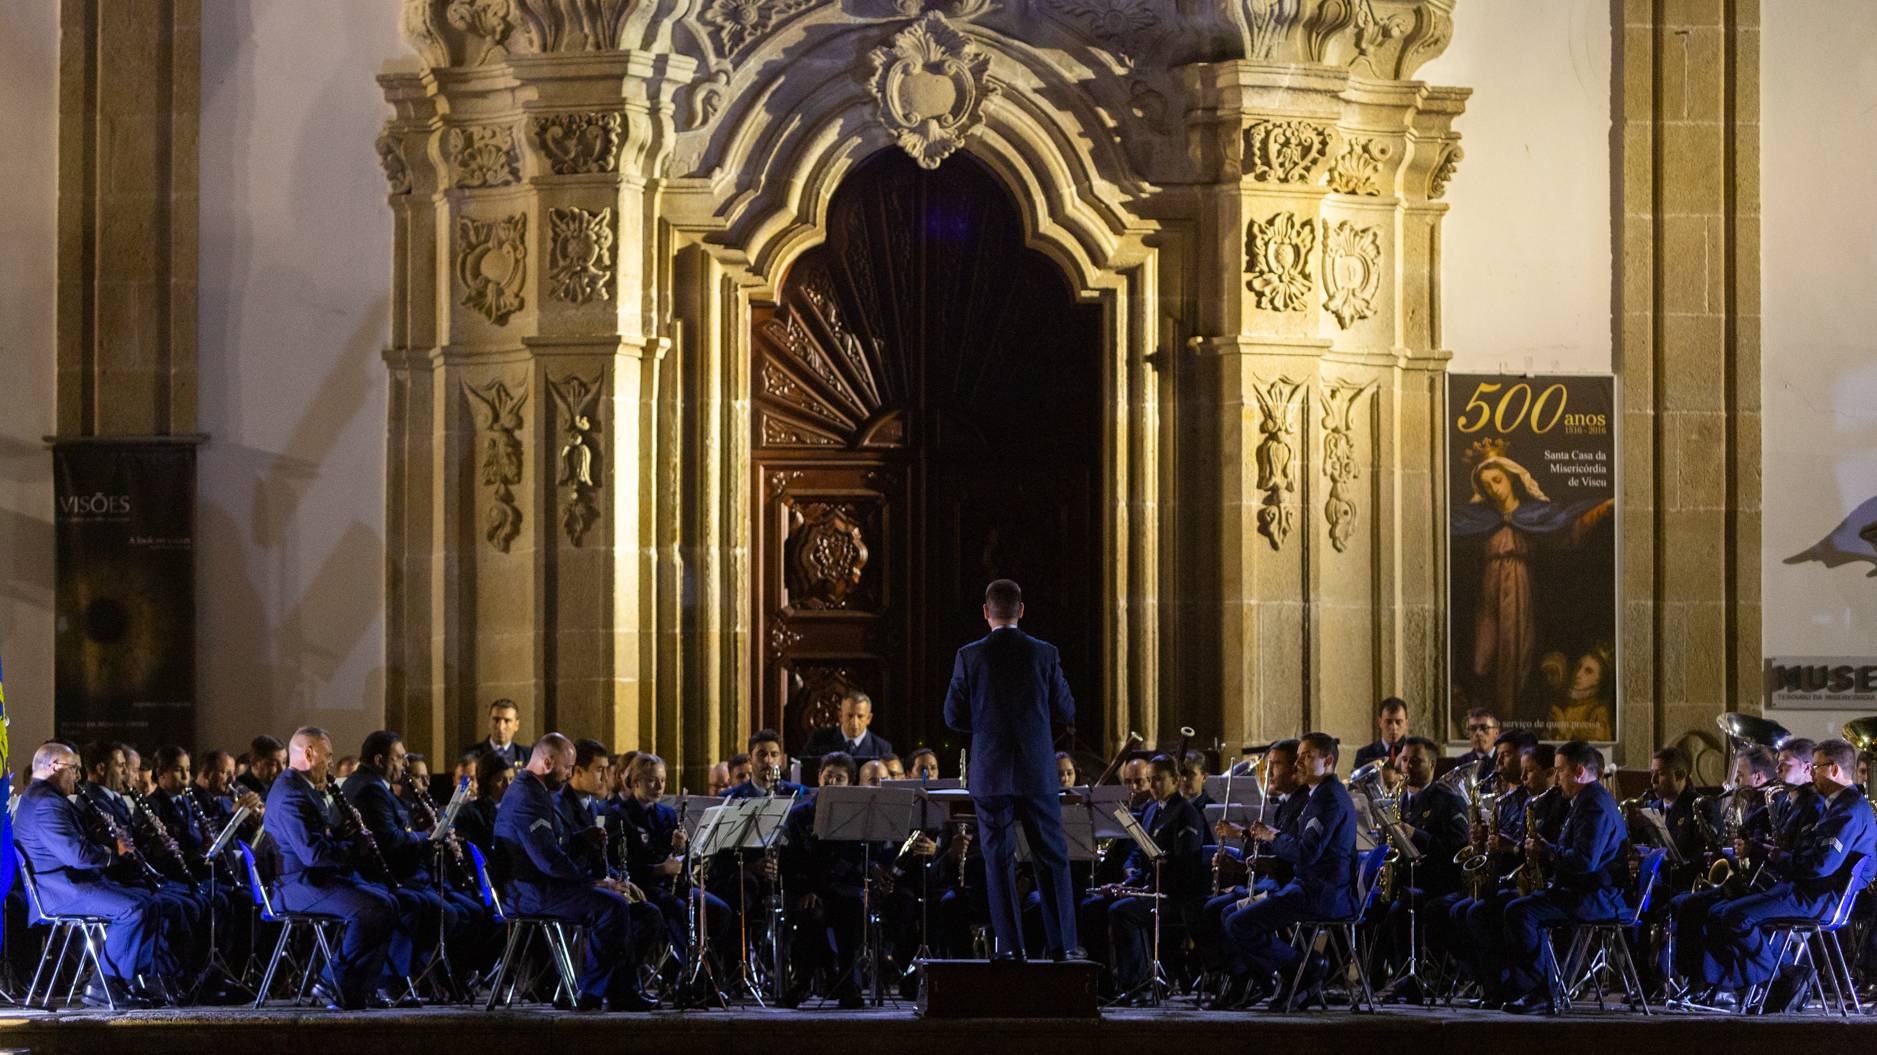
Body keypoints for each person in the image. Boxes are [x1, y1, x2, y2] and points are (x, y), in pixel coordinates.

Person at [942, 578, 1081, 962]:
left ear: (986, 612)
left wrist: (986, 727)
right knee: (1051, 856)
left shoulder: (969, 656)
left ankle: (1010, 947)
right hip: (1036, 771)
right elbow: (1065, 711)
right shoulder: (1045, 654)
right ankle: (1062, 946)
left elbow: (952, 716)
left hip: (990, 773)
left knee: (998, 860)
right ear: (1021, 610)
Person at [1692, 739, 1876, 1007]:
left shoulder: (1847, 810)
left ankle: (1784, 979)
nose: (1811, 773)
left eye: (1817, 767)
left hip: (1817, 899)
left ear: (1834, 769)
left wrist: (1781, 858)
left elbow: (1819, 866)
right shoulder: (1840, 806)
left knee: (1735, 916)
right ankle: (1778, 978)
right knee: (1720, 912)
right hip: (1808, 893)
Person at [14, 741, 188, 1007]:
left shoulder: (41, 798)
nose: (78, 776)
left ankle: (129, 980)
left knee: (151, 902)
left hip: (69, 884)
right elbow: (78, 856)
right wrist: (112, 851)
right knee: (134, 910)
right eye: (74, 769)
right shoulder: (47, 804)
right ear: (54, 767)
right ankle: (103, 983)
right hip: (62, 890)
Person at [494, 734, 657, 1011]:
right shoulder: (527, 797)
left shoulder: (535, 791)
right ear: (547, 762)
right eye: (567, 768)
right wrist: (594, 882)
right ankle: (591, 993)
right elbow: (548, 860)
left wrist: (582, 838)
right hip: (531, 891)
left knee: (644, 912)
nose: (569, 773)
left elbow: (552, 844)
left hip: (541, 885)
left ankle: (618, 988)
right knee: (612, 907)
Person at [263, 727, 413, 1010]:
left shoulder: (301, 788)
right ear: (309, 754)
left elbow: (317, 842)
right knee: (374, 909)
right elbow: (314, 855)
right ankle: (333, 981)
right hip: (298, 885)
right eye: (327, 757)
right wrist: (356, 848)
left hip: (312, 880)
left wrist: (342, 834)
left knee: (389, 902)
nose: (331, 765)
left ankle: (357, 989)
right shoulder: (292, 794)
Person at [340, 730, 491, 994]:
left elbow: (398, 833)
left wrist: (422, 831)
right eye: (398, 758)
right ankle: (401, 979)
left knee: (467, 910)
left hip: (397, 874)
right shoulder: (370, 789)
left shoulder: (372, 786)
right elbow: (390, 841)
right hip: (382, 878)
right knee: (442, 912)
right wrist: (431, 838)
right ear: (379, 760)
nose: (404, 764)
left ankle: (430, 977)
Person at [1216, 732, 1357, 1010]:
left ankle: (1304, 968)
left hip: (1320, 894)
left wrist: (1272, 838)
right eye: (1299, 756)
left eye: (1307, 756)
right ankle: (1293, 975)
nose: (1298, 764)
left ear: (1328, 761)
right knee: (1231, 914)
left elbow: (1306, 853)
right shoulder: (1320, 795)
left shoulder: (1328, 798)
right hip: (1308, 888)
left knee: (1238, 923)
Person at [1492, 740, 1629, 1014]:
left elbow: (1584, 862)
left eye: (1559, 771)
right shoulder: (1585, 800)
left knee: (1520, 913)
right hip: (1582, 892)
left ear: (1578, 771)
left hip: (1595, 897)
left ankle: (1539, 990)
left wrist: (1546, 851)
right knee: (1514, 907)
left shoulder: (1593, 804)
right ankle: (1535, 987)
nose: (1556, 779)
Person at [1082, 754, 1205, 1000]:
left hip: (1175, 894)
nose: (1152, 786)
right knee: (1091, 907)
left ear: (1176, 779)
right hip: (1151, 887)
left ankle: (1136, 984)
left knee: (1122, 912)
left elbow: (1183, 865)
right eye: (1150, 780)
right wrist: (1126, 884)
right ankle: (1104, 984)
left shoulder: (1186, 813)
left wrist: (1140, 887)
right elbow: (1143, 856)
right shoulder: (1150, 810)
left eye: (1158, 779)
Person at [801, 690, 895, 761]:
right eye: (850, 716)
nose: (854, 722)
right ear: (840, 716)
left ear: (869, 718)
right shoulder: (819, 740)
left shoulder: (882, 748)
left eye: (860, 716)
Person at [457, 749, 514, 856]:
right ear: (487, 781)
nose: (508, 786)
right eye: (501, 780)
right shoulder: (470, 813)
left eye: (511, 779)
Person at [464, 698, 530, 768]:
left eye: (507, 721)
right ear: (489, 722)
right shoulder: (471, 755)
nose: (500, 727)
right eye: (496, 720)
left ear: (516, 725)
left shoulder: (527, 756)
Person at [1353, 697, 1410, 770]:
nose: (1393, 727)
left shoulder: (1413, 753)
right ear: (1380, 722)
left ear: (1406, 723)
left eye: (1398, 722)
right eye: (1388, 722)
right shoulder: (1365, 754)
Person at [1453, 708, 1501, 776]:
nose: (1478, 733)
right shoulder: (1461, 764)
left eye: (1484, 727)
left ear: (1496, 732)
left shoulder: (1505, 761)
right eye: (1473, 729)